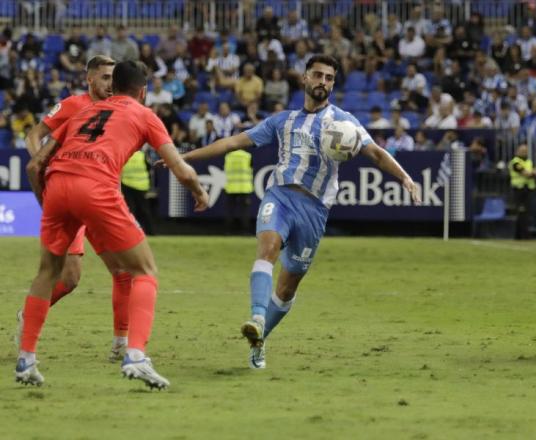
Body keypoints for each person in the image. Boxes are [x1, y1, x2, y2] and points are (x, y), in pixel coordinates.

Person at [179, 55, 420, 369]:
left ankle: (259, 338)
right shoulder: (283, 120)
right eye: (317, 75)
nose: (323, 82)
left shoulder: (345, 123)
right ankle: (256, 316)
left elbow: (374, 152)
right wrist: (181, 158)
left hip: (314, 210)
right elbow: (232, 142)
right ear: (305, 78)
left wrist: (404, 177)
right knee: (267, 249)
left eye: (329, 78)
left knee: (287, 287)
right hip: (279, 197)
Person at [17, 60, 209, 389]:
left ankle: (26, 360)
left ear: (114, 84)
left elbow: (36, 163)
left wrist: (46, 203)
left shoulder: (81, 113)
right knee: (144, 271)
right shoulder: (145, 115)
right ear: (143, 91)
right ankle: (135, 356)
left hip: (58, 186)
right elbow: (182, 170)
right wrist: (199, 191)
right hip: (96, 189)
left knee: (48, 273)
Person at [23, 55, 133, 361]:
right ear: (90, 79)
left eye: (114, 78)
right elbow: (34, 135)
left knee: (123, 270)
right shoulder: (73, 105)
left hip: (100, 198)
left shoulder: (117, 110)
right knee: (69, 279)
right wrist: (41, 164)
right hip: (68, 197)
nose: (111, 84)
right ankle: (28, 316)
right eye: (105, 78)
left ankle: (120, 344)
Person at [508, 143, 536, 239]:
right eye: (522, 151)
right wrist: (531, 172)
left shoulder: (529, 161)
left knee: (526, 213)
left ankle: (521, 235)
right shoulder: (515, 162)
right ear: (517, 151)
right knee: (521, 212)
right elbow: (527, 173)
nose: (524, 152)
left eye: (525, 151)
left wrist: (531, 172)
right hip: (519, 191)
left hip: (528, 190)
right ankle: (522, 235)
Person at [223, 149, 254, 234]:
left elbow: (225, 169)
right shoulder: (247, 156)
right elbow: (251, 169)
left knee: (230, 210)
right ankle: (245, 231)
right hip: (244, 187)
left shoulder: (228, 156)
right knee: (244, 211)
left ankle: (228, 231)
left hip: (231, 186)